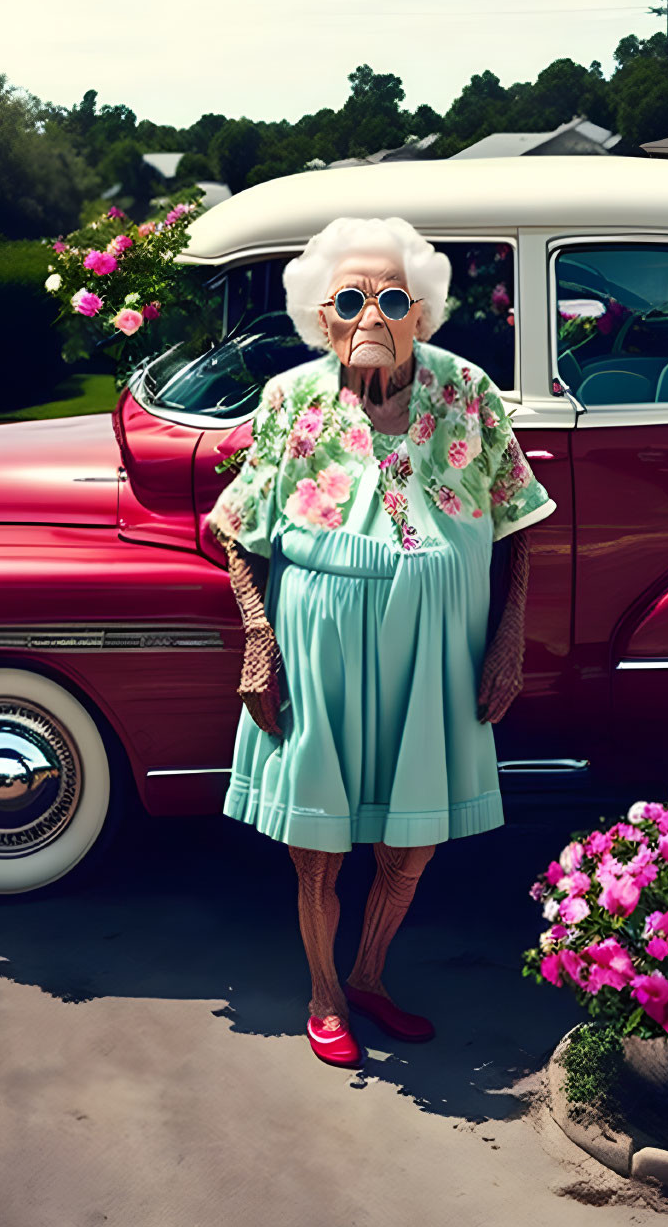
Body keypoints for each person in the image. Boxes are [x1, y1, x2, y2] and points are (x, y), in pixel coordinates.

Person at [206, 216, 557, 1068]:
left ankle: (369, 973)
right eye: (351, 301)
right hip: (318, 642)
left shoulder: (466, 390)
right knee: (318, 836)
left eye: (392, 299)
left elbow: (518, 522)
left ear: (423, 314)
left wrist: (508, 636)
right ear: (321, 318)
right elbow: (238, 529)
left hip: (437, 648)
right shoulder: (290, 399)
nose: (373, 316)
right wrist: (259, 637)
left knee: (414, 833)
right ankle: (325, 992)